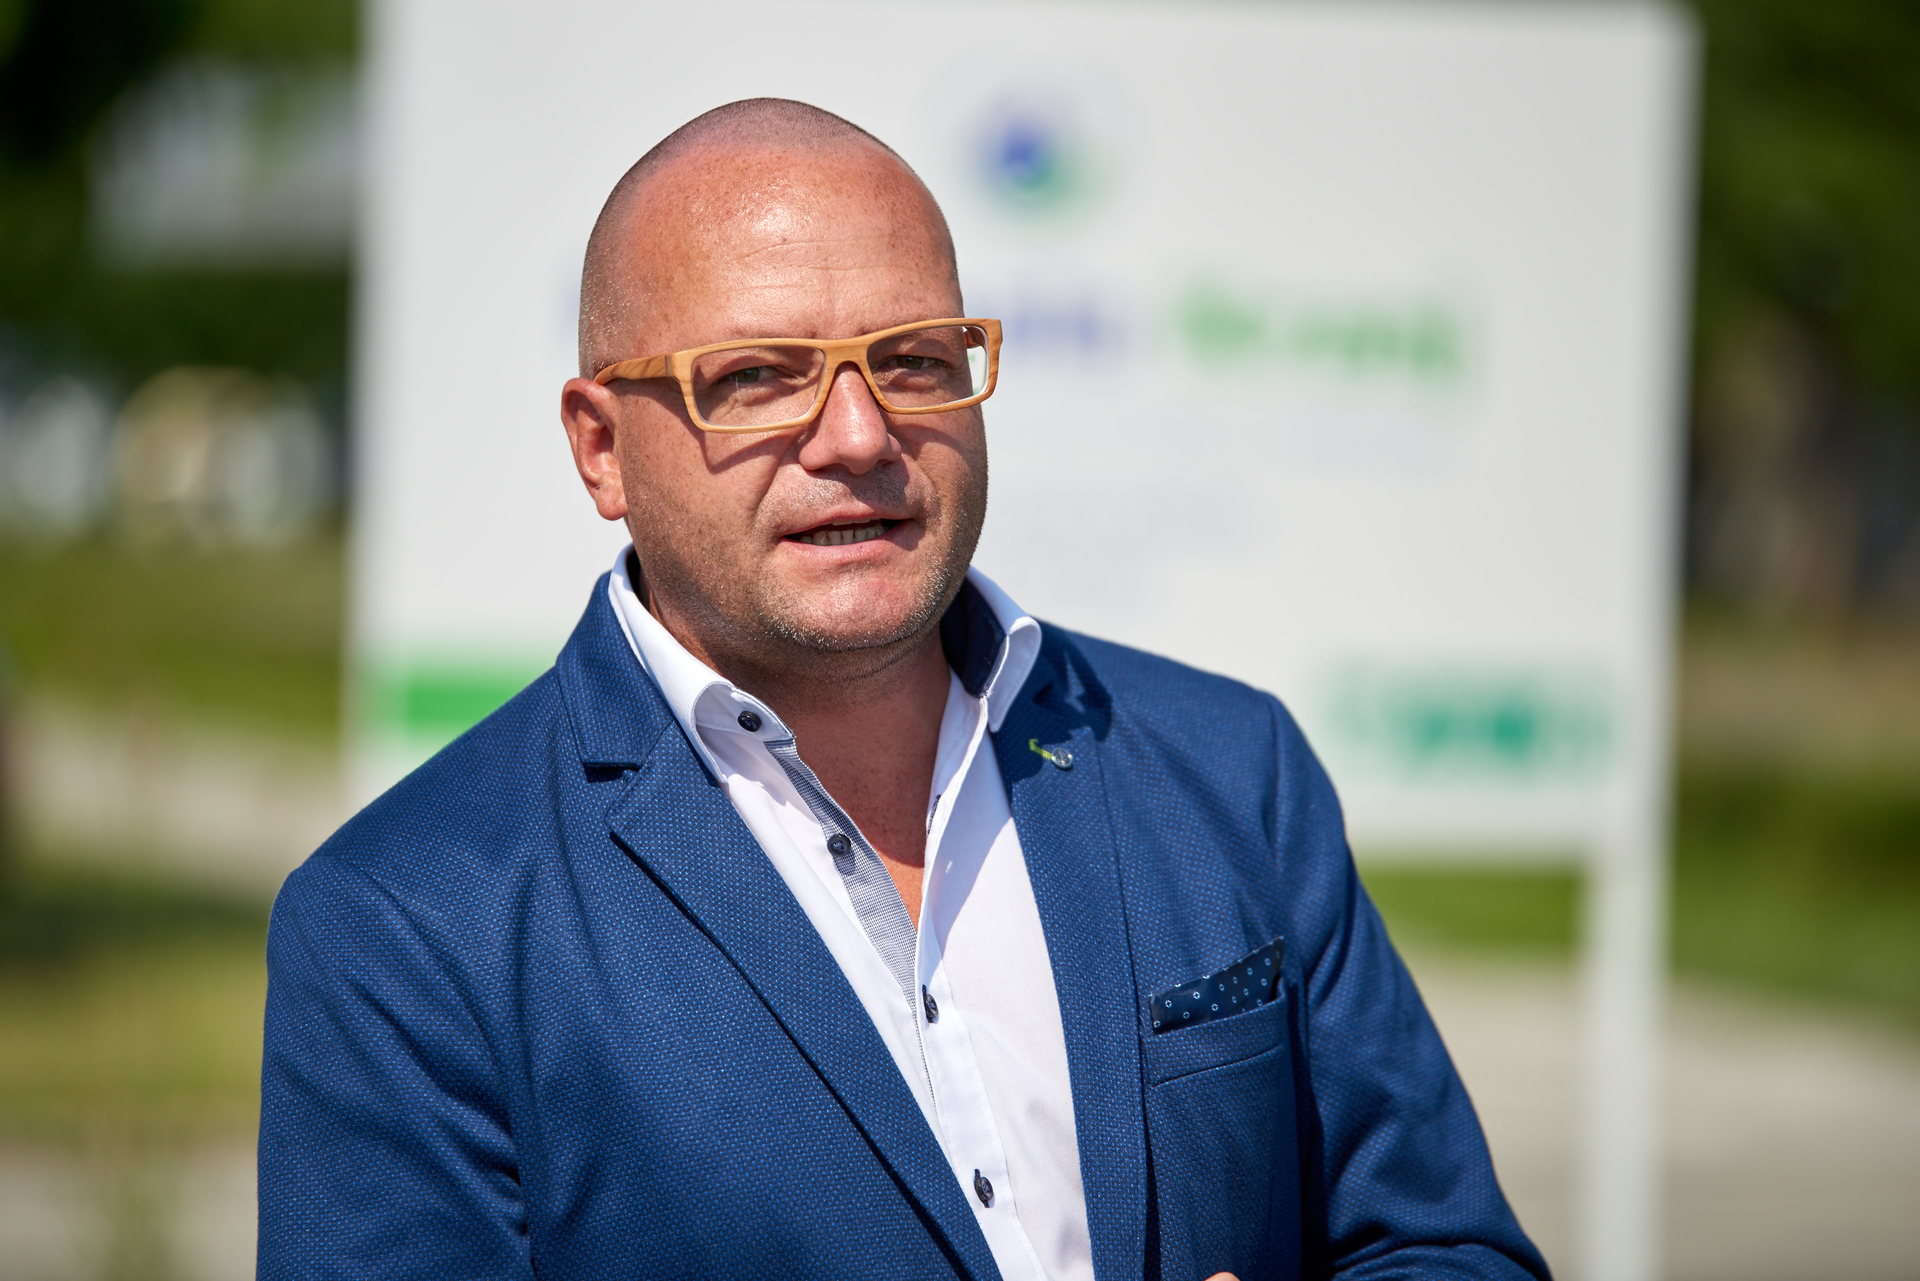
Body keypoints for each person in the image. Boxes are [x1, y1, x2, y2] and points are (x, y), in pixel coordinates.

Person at [258, 99, 1550, 1281]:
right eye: (756, 376)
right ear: (602, 448)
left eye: (918, 360)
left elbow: (1449, 1250)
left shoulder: (1228, 768)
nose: (860, 434)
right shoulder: (407, 926)